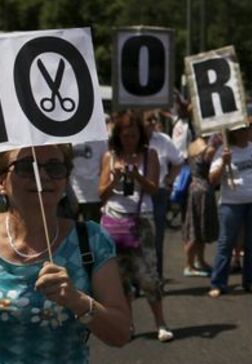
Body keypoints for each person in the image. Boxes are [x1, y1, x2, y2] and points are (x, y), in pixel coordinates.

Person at [0, 144, 130, 362]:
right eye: (27, 167)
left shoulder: (90, 240)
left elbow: (120, 333)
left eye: (55, 168)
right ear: (2, 181)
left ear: (66, 180)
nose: (42, 176)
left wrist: (77, 301)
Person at [98, 110, 174, 341]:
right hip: (113, 222)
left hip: (141, 220)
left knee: (148, 276)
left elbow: (153, 188)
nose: (129, 140)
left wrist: (137, 177)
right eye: (125, 135)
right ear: (117, 135)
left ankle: (161, 323)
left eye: (133, 135)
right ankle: (128, 324)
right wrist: (115, 179)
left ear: (140, 135)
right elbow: (101, 194)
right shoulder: (110, 157)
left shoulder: (149, 155)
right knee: (121, 278)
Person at [208, 120, 252, 297]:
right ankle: (218, 283)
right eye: (240, 130)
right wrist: (224, 163)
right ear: (233, 133)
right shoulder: (223, 150)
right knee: (225, 242)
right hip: (231, 203)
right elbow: (212, 179)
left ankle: (250, 281)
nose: (244, 132)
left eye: (246, 129)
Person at [143, 111, 184, 281]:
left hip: (158, 193)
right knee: (136, 238)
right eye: (148, 119)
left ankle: (157, 277)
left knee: (156, 238)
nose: (152, 122)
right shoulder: (132, 140)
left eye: (155, 119)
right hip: (137, 195)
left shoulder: (163, 140)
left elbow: (178, 161)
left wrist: (169, 180)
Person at [181, 136, 218, 277]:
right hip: (202, 189)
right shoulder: (207, 149)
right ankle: (189, 265)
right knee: (196, 229)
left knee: (199, 229)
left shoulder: (193, 145)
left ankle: (200, 261)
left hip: (194, 187)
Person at [68, 140, 108, 223]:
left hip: (94, 196)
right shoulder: (67, 138)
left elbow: (105, 167)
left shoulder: (101, 140)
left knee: (93, 228)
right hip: (72, 195)